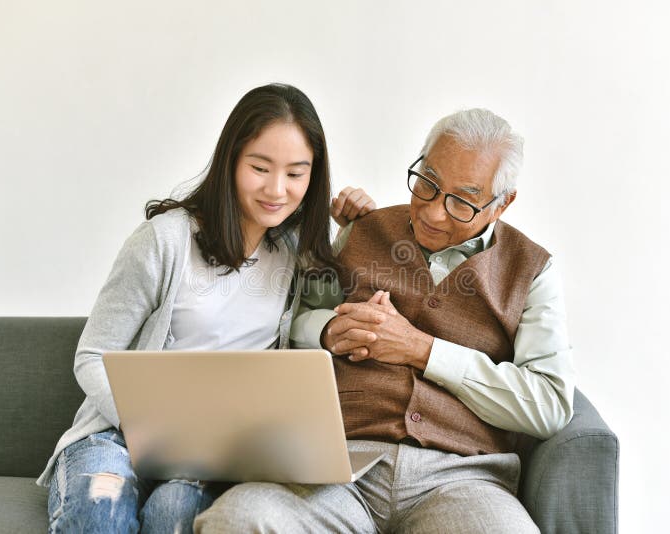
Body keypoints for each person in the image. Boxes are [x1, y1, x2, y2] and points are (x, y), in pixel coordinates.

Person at [193, 108, 576, 533]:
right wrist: (327, 331)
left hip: (462, 479)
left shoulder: (532, 270)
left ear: (502, 203)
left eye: (462, 202)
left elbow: (550, 405)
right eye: (427, 184)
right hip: (338, 466)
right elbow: (298, 317)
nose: (433, 213)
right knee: (238, 519)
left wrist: (422, 350)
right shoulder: (363, 229)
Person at [36, 83, 375, 533]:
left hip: (208, 453)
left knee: (175, 518)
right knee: (101, 511)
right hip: (115, 435)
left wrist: (355, 227)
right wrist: (157, 429)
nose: (277, 189)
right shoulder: (165, 240)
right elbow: (91, 356)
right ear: (231, 160)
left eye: (296, 173)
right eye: (259, 167)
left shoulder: (295, 252)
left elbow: (333, 313)